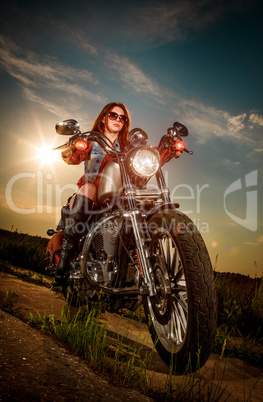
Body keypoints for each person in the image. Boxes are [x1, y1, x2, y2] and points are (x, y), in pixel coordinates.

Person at [55, 102, 131, 284]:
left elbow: (150, 163)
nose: (118, 120)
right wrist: (75, 146)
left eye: (122, 118)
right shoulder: (91, 141)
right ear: (104, 119)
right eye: (113, 115)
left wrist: (168, 148)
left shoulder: (128, 147)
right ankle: (65, 258)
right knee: (90, 187)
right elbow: (68, 157)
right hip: (92, 195)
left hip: (117, 197)